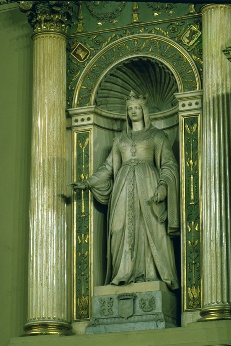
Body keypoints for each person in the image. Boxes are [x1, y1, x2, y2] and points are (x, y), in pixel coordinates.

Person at [71, 91, 179, 290]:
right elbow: (108, 167)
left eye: (137, 108)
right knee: (118, 228)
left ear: (144, 110)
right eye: (130, 109)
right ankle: (123, 273)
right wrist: (89, 183)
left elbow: (168, 164)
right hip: (122, 186)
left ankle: (152, 274)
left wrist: (163, 185)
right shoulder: (120, 139)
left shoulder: (156, 135)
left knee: (151, 229)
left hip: (148, 185)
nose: (133, 112)